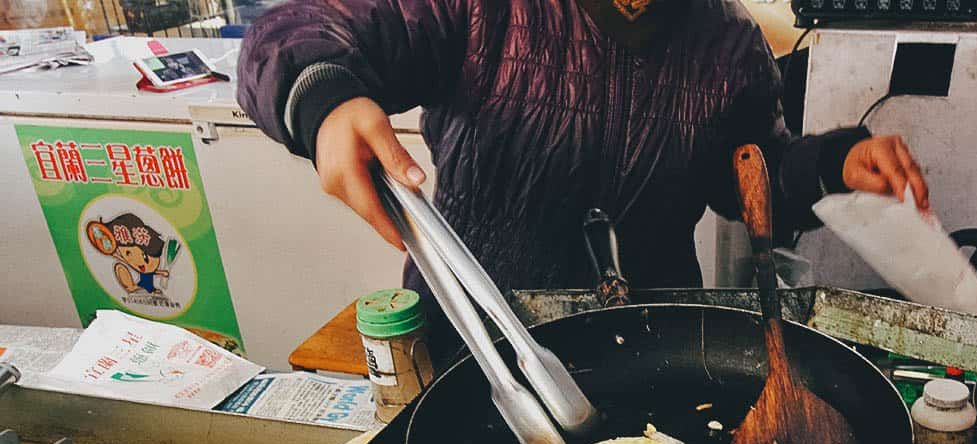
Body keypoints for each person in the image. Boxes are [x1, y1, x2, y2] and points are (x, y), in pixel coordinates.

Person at [239, 0, 927, 359]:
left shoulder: (730, 41)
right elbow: (302, 27)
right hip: (480, 344)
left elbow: (745, 175)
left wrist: (831, 164)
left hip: (653, 350)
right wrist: (321, 96)